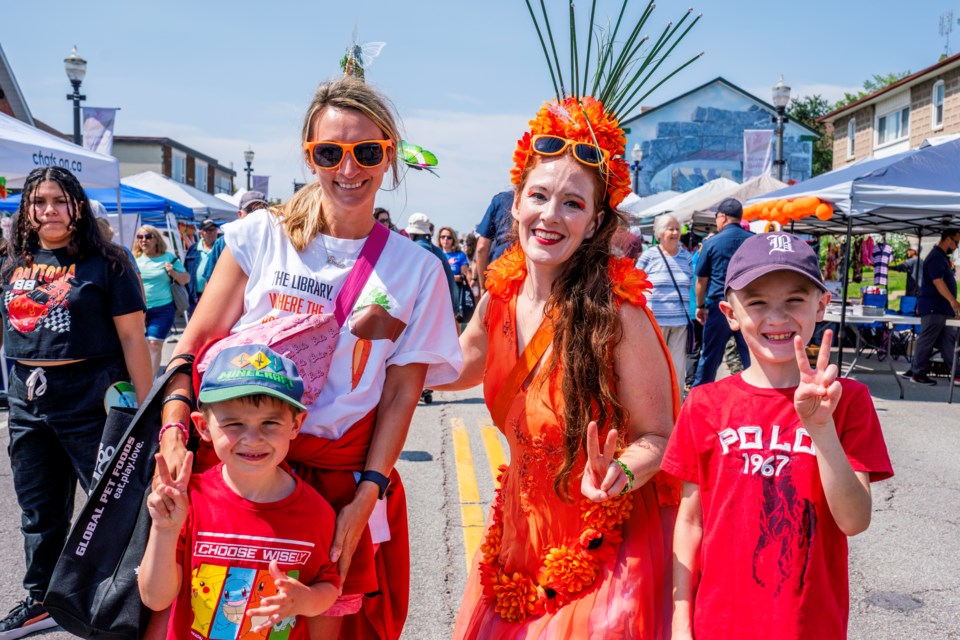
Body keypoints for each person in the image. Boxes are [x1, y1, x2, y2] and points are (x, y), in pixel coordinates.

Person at [157, 76, 461, 639]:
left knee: (324, 624)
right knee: (214, 619)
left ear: (390, 156)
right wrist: (176, 425)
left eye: (367, 152)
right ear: (309, 155)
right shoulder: (259, 236)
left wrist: (368, 493)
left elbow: (399, 394)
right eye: (331, 153)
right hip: (241, 468)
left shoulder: (417, 270)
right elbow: (193, 344)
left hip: (341, 482)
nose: (349, 170)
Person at [441, 95, 679, 638]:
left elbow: (658, 438)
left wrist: (619, 473)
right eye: (539, 196)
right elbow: (457, 364)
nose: (550, 216)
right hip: (518, 536)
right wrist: (381, 355)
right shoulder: (499, 296)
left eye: (572, 203)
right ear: (516, 203)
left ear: (596, 221)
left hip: (605, 548)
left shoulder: (620, 315)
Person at [664, 232, 894, 639]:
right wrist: (680, 621)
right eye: (756, 302)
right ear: (729, 313)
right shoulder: (703, 403)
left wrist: (821, 430)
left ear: (821, 305)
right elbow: (690, 520)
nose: (776, 317)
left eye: (794, 300)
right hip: (718, 622)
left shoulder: (848, 400)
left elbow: (855, 520)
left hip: (808, 624)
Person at [0, 166, 151, 638]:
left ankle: (131, 602)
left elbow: (133, 340)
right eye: (40, 201)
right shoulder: (12, 263)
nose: (50, 211)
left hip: (95, 400)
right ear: (27, 209)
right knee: (39, 512)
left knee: (115, 507)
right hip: (28, 400)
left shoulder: (109, 263)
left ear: (78, 207)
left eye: (60, 201)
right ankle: (41, 600)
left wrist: (151, 417)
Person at [139, 344, 341, 638]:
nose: (253, 438)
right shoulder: (188, 500)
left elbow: (329, 585)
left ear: (296, 424)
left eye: (270, 422)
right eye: (233, 423)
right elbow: (155, 598)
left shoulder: (317, 512)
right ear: (203, 427)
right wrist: (164, 530)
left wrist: (304, 600)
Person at [692, 198, 753, 386]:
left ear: (723, 217)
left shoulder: (711, 243)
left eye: (717, 217)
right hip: (748, 306)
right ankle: (761, 398)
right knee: (751, 355)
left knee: (710, 357)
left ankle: (699, 397)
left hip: (719, 306)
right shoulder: (754, 241)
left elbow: (702, 280)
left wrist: (700, 306)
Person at [636, 213, 693, 387]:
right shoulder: (649, 256)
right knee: (653, 369)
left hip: (680, 323)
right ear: (660, 233)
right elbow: (635, 283)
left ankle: (676, 410)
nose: (675, 232)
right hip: (654, 323)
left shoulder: (686, 257)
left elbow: (689, 284)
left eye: (677, 229)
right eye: (670, 229)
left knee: (677, 369)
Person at [132, 224, 190, 373]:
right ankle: (140, 378)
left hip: (163, 308)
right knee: (139, 346)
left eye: (148, 236)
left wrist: (173, 273)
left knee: (154, 344)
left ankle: (150, 386)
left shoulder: (168, 258)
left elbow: (185, 279)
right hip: (138, 309)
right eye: (140, 237)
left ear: (156, 239)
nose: (144, 240)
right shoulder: (133, 259)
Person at [909, 229, 960, 386]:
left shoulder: (941, 257)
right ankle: (917, 373)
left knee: (948, 341)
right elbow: (938, 281)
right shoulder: (936, 257)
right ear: (947, 239)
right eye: (956, 242)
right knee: (927, 340)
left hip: (941, 309)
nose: (957, 246)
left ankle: (957, 374)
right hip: (934, 308)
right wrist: (953, 301)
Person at [202, 190, 269, 282]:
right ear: (240, 214)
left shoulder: (274, 243)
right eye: (250, 210)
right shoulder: (224, 242)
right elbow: (209, 280)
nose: (255, 214)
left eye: (260, 210)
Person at [405, 212, 456, 307]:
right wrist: (453, 308)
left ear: (412, 233)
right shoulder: (438, 252)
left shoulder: (410, 251)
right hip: (437, 307)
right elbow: (451, 284)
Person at [474, 190, 514, 291]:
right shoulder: (545, 200)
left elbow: (481, 247)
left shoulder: (500, 199)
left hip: (500, 276)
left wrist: (483, 286)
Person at [438, 226, 474, 325]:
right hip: (440, 291)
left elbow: (464, 275)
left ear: (453, 239)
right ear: (439, 238)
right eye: (443, 237)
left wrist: (453, 278)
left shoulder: (460, 255)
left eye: (449, 237)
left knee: (455, 320)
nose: (445, 239)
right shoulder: (436, 253)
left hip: (455, 291)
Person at [184, 218, 218, 307]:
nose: (211, 233)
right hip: (195, 296)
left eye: (213, 230)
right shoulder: (193, 249)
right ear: (201, 233)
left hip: (216, 295)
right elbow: (186, 270)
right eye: (207, 230)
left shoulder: (222, 249)